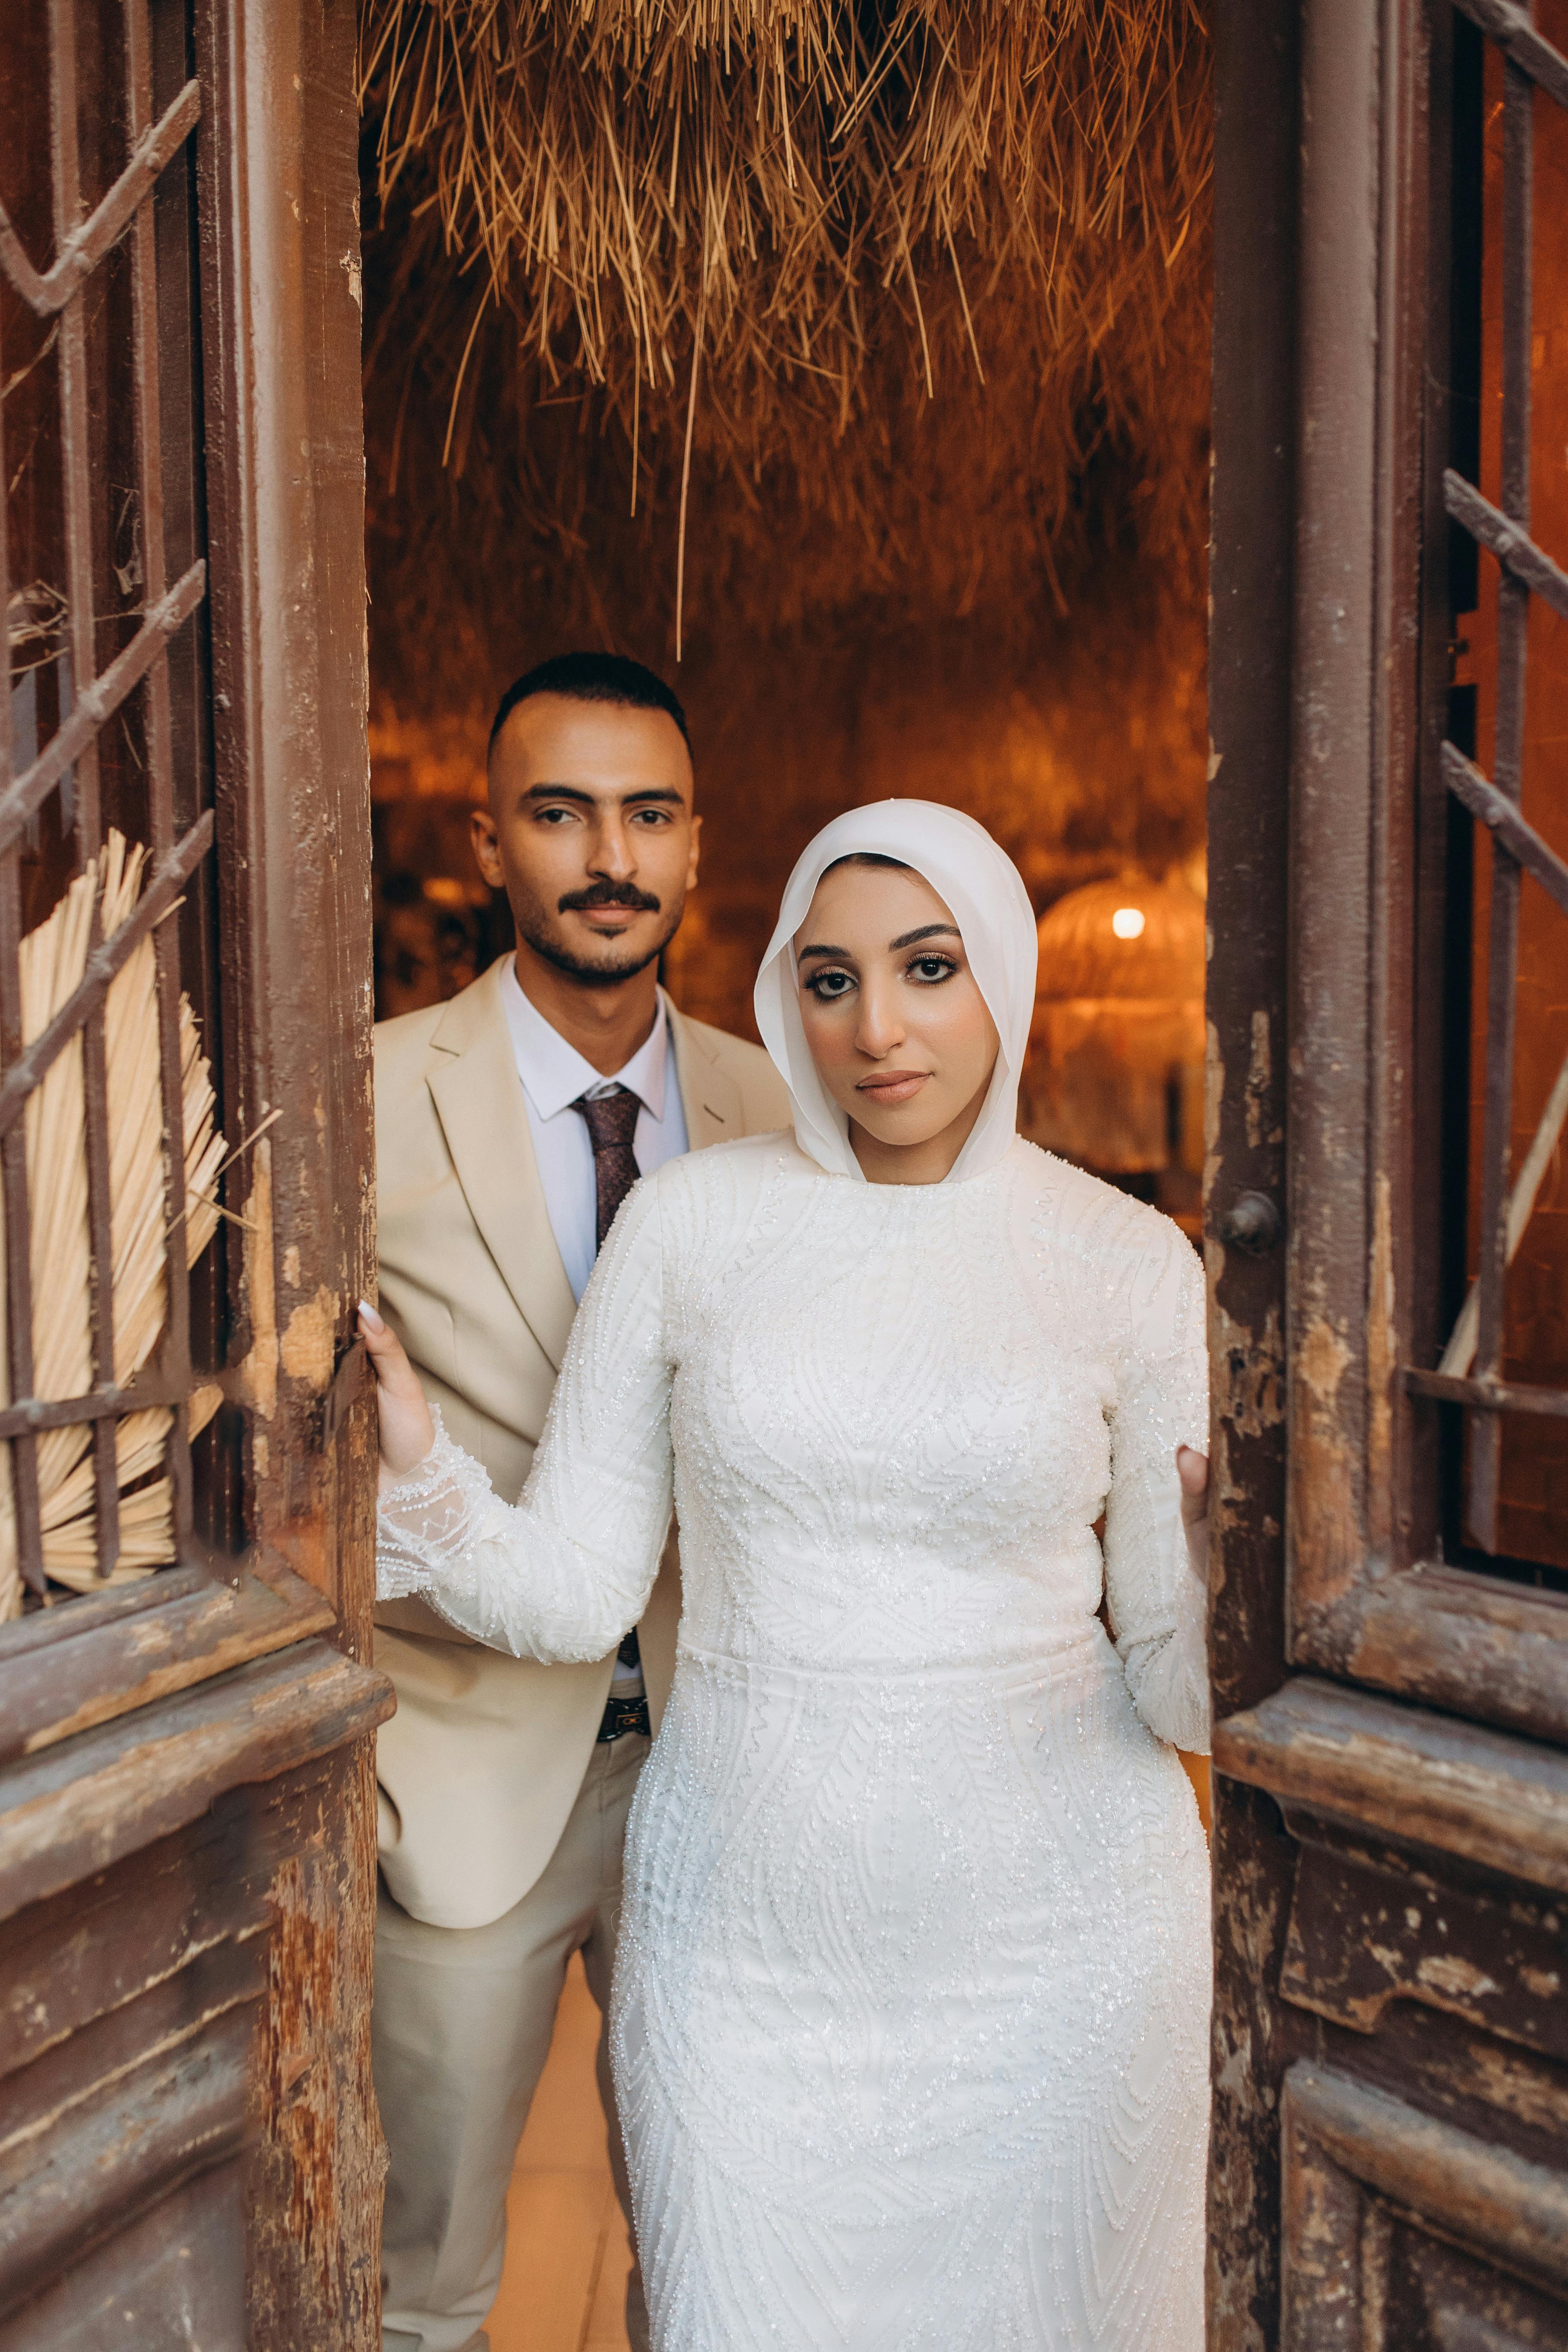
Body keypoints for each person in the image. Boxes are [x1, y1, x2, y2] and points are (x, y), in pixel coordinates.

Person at [364, 798, 1213, 2351]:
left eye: (928, 968)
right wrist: (416, 1463)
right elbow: (570, 1592)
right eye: (830, 982)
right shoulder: (691, 1227)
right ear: (784, 997)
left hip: (1063, 1945)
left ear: (1003, 978)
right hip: (744, 1952)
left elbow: (1175, 1679)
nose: (877, 1028)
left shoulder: (1132, 1262)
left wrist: (1241, 1578)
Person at [370, 651, 791, 2352]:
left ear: (696, 844)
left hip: (729, 1783)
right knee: (425, 2291)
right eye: (560, 813)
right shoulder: (358, 1090)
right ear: (491, 842)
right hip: (457, 1779)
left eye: (646, 814)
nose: (607, 855)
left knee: (718, 2266)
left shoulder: (785, 1111)